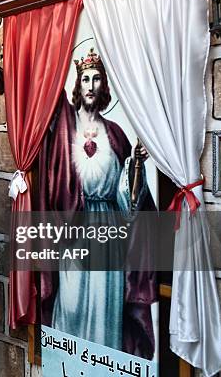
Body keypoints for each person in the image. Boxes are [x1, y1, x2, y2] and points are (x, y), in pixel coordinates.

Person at [39, 48, 156, 358]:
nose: (90, 85)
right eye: (85, 79)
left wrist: (135, 167)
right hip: (74, 229)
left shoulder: (116, 134)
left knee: (107, 310)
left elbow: (126, 198)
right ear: (78, 85)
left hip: (109, 232)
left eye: (97, 79)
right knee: (72, 305)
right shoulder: (64, 129)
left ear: (104, 87)